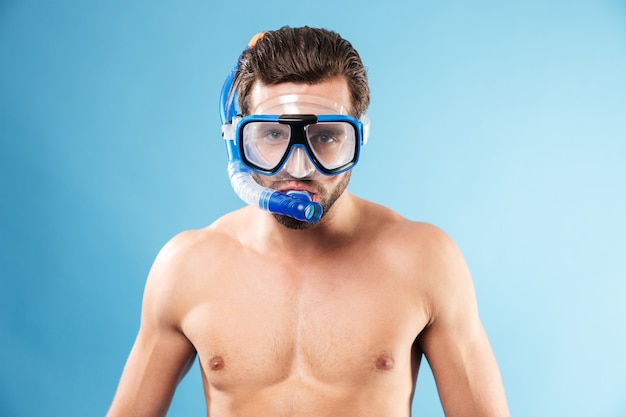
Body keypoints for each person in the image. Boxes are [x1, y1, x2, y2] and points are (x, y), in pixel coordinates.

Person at [106, 26, 510, 417]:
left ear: (360, 136)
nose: (298, 168)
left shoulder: (425, 260)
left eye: (327, 137)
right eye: (272, 136)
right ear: (237, 142)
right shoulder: (186, 267)